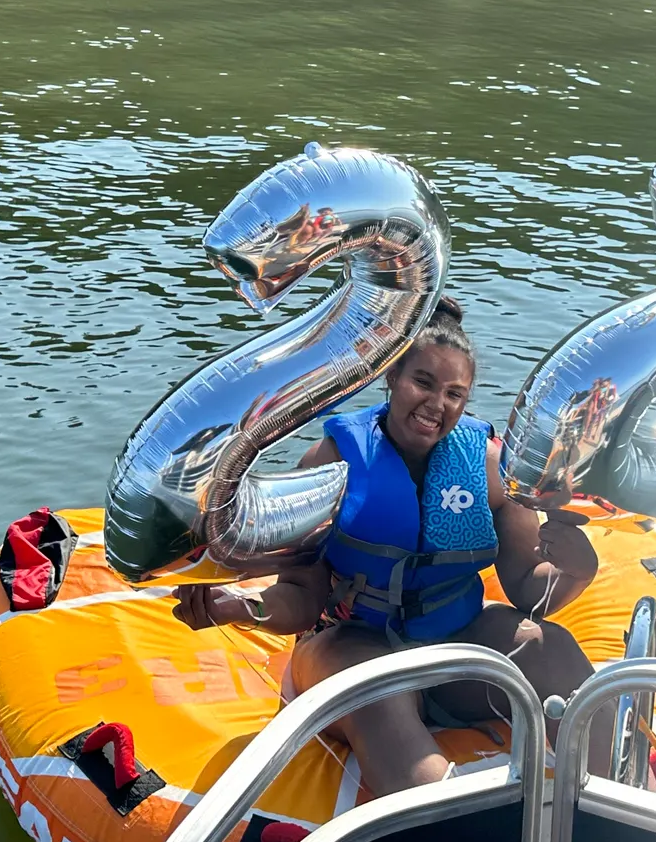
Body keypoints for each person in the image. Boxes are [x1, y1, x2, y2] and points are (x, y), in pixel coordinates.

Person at [172, 297, 605, 796]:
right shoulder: (330, 462)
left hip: (452, 637)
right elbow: (302, 597)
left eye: (454, 393)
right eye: (423, 382)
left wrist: (575, 570)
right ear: (392, 378)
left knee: (553, 649)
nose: (436, 405)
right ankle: (446, 838)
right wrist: (244, 607)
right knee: (381, 692)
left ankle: (613, 806)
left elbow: (529, 588)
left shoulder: (490, 466)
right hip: (347, 643)